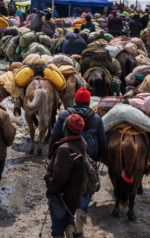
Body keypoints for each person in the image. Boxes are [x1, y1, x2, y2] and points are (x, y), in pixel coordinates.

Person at [49, 88, 106, 237]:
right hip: (88, 157)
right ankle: (78, 219)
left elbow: (55, 136)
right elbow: (102, 140)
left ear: (75, 100)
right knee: (83, 186)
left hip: (64, 158)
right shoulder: (96, 118)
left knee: (62, 193)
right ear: (88, 101)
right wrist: (100, 156)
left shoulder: (64, 115)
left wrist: (51, 155)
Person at [45, 114, 86, 238]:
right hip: (74, 196)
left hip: (60, 196)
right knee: (69, 220)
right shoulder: (82, 143)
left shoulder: (64, 150)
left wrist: (51, 189)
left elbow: (59, 177)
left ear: (66, 128)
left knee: (57, 226)